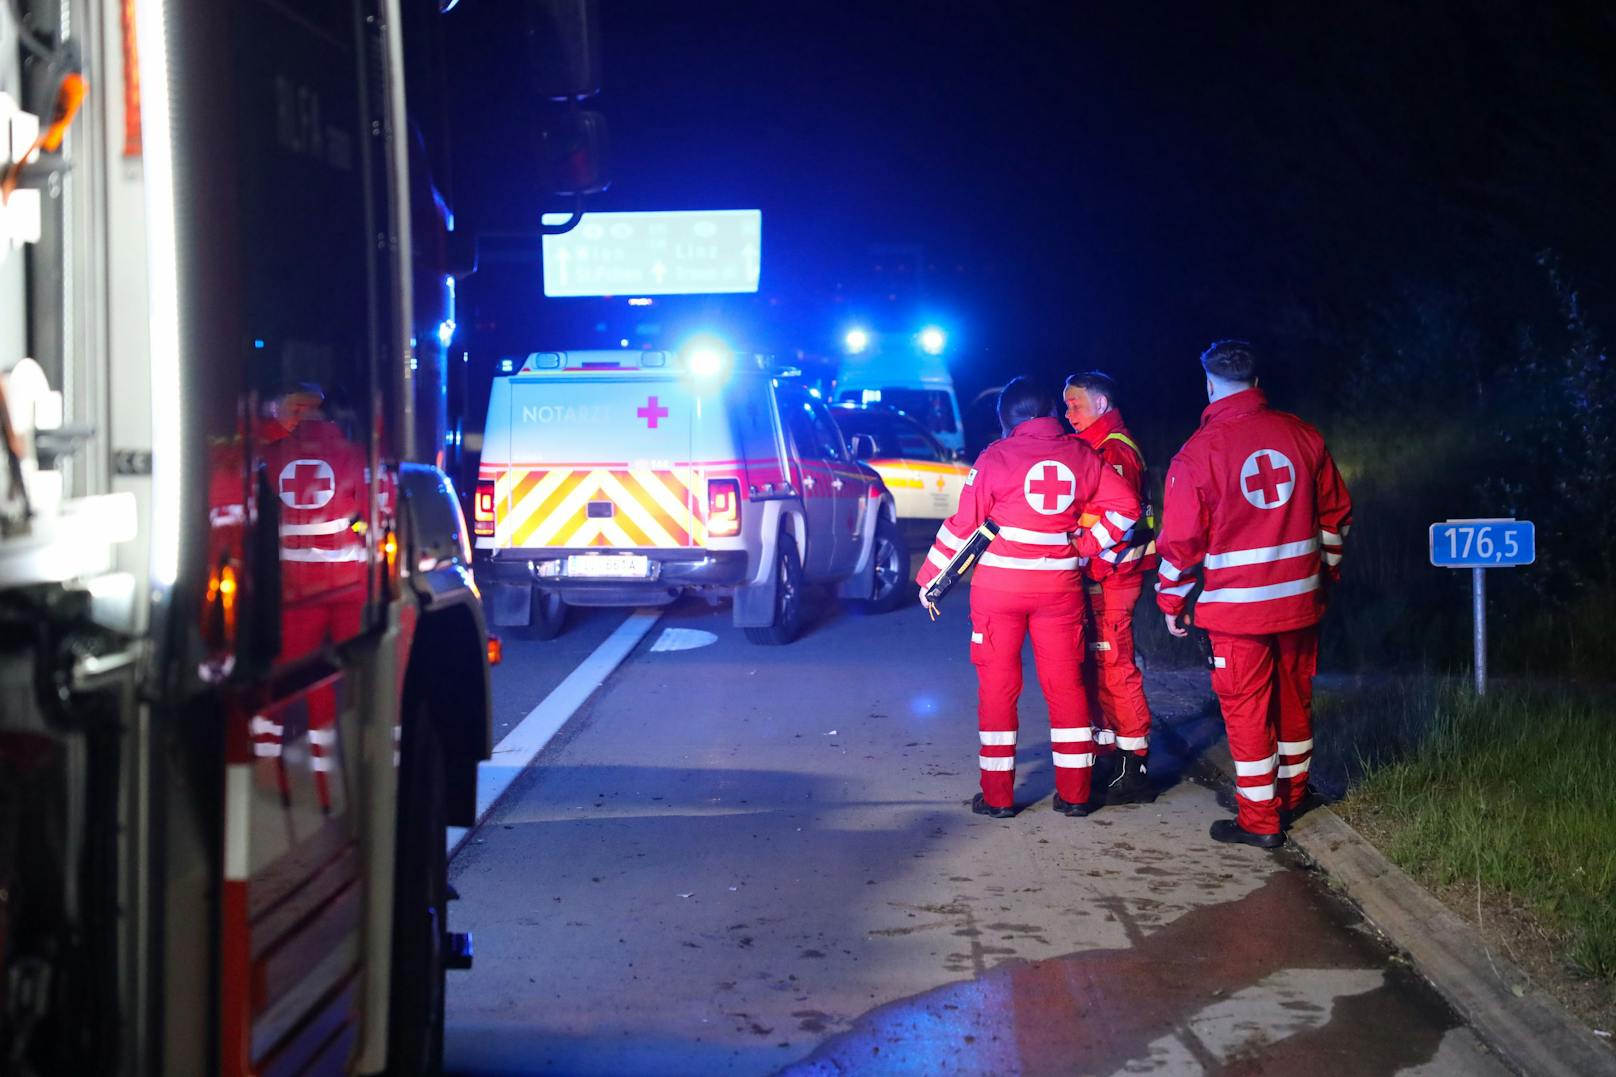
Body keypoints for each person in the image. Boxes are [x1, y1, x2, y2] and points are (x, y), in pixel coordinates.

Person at [1155, 341, 1352, 847]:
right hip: (1300, 603)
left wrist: (1172, 602)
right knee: (1294, 700)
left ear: (1209, 384)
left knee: (1245, 709)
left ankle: (1261, 821)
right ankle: (1294, 793)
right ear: (1257, 382)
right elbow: (1335, 517)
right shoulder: (1302, 435)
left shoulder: (1197, 454)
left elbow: (1180, 544)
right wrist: (1322, 575)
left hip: (1237, 612)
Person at [917, 377, 1142, 818]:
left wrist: (928, 579)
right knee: (1067, 688)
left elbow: (963, 526)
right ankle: (1076, 795)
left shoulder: (995, 457)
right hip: (1059, 590)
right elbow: (1128, 507)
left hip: (998, 590)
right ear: (1050, 413)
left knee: (998, 690)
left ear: (1007, 419)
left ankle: (999, 798)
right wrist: (1087, 545)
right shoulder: (1080, 454)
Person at [1063, 371, 1158, 804]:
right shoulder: (1093, 447)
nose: (1069, 414)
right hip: (1100, 574)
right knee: (1097, 666)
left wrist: (1079, 549)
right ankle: (1108, 753)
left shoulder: (1113, 451)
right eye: (1066, 406)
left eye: (1076, 405)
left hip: (1113, 575)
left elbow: (1115, 518)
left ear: (1101, 404)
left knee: (1115, 663)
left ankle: (1133, 765)